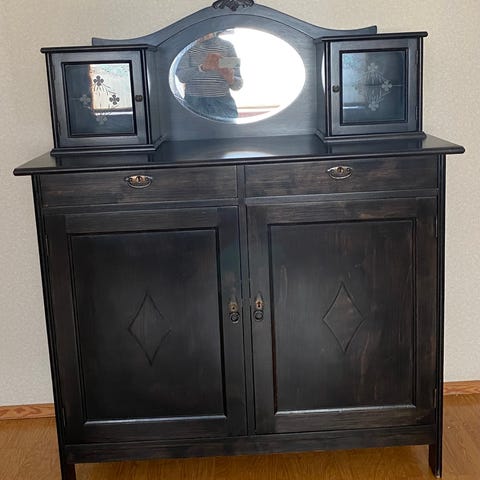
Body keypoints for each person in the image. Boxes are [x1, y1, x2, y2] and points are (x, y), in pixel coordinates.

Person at [175, 33, 243, 119]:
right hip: (194, 102)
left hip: (222, 103)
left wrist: (231, 79)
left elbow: (238, 85)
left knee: (225, 129)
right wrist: (201, 68)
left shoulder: (227, 46)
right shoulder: (187, 48)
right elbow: (182, 77)